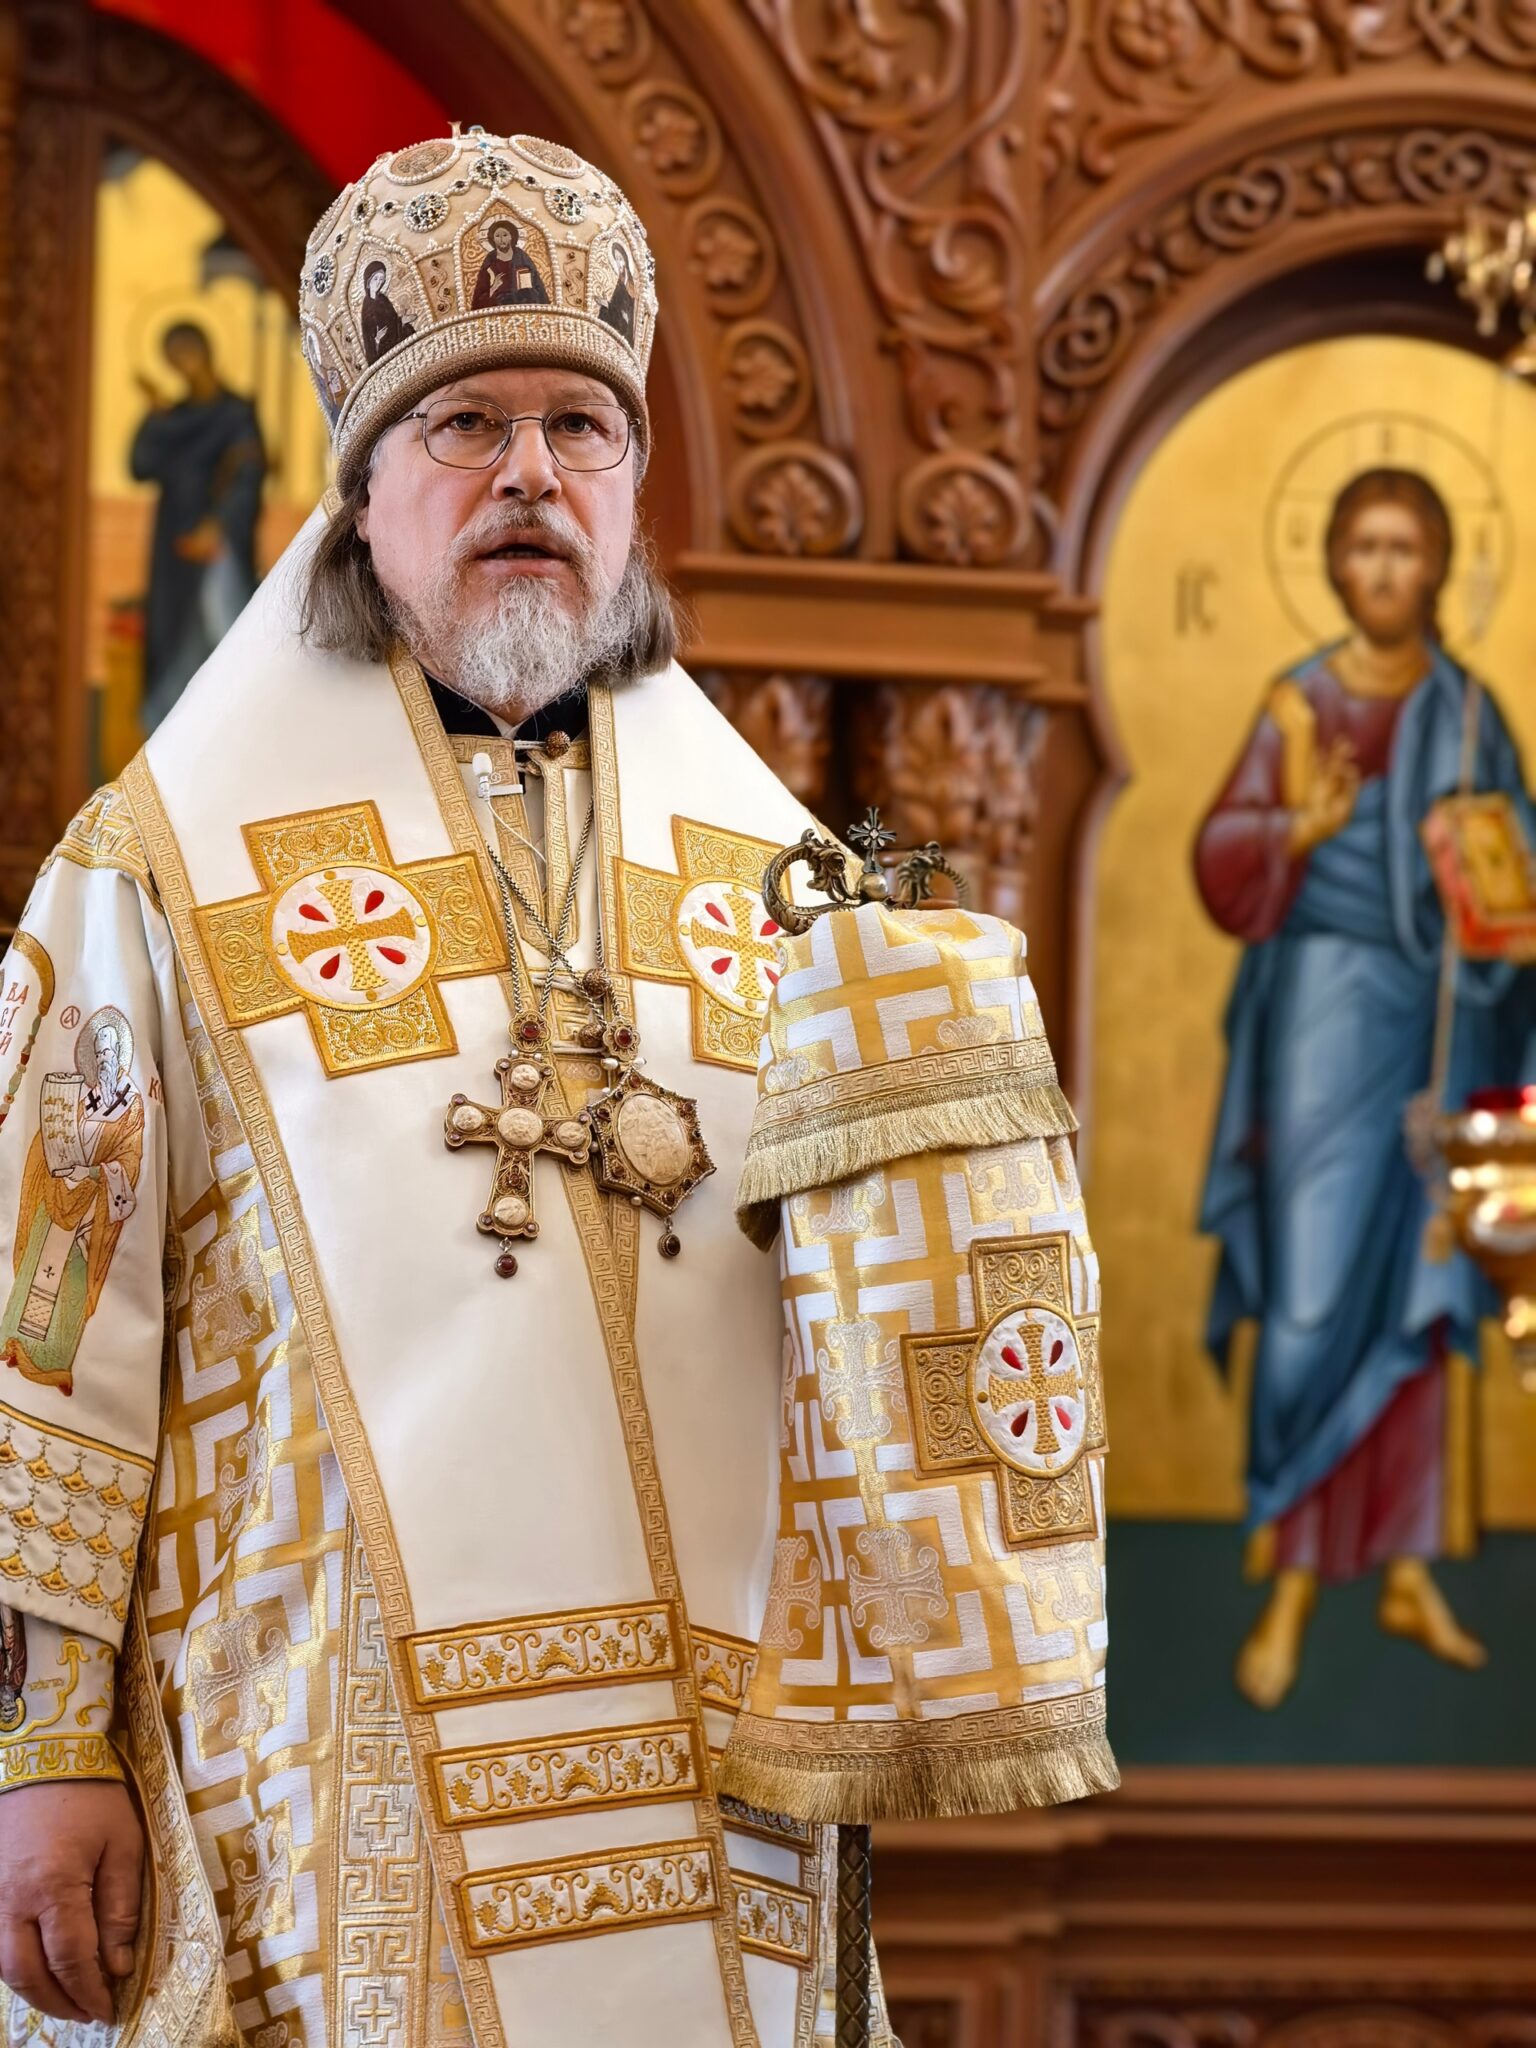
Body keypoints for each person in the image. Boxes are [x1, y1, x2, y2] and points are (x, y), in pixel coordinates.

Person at [0, 133, 932, 2045]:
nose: (530, 473)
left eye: (582, 426)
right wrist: (39, 1738)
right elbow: (46, 1325)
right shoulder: (159, 866)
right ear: (360, 499)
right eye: (467, 425)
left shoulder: (787, 887)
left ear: (632, 489)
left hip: (717, 1761)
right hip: (315, 1751)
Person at [1195, 467, 1536, 1711]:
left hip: (1441, 1021)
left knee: (1417, 1283)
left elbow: (1517, 875)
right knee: (1310, 1285)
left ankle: (1404, 1566)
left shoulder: (1467, 710)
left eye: (1406, 548)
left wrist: (1493, 889)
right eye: (1365, 547)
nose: (1385, 569)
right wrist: (1299, 827)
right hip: (1321, 1011)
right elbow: (1223, 857)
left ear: (1436, 566)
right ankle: (1291, 1573)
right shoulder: (1298, 706)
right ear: (1336, 563)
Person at [129, 321, 264, 732]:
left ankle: (237, 728)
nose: (183, 365)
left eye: (186, 353)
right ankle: (167, 733)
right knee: (171, 631)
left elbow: (248, 475)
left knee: (222, 631)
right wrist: (155, 417)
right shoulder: (174, 416)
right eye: (174, 359)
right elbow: (140, 466)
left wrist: (219, 526)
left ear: (204, 351)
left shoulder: (235, 414)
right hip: (173, 545)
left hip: (219, 543)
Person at [470, 219, 549, 308]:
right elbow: (478, 299)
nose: (501, 239)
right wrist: (493, 288)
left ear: (511, 236)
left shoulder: (522, 258)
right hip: (498, 309)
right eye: (497, 236)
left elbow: (538, 287)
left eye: (505, 235)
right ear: (493, 239)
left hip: (523, 307)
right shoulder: (490, 262)